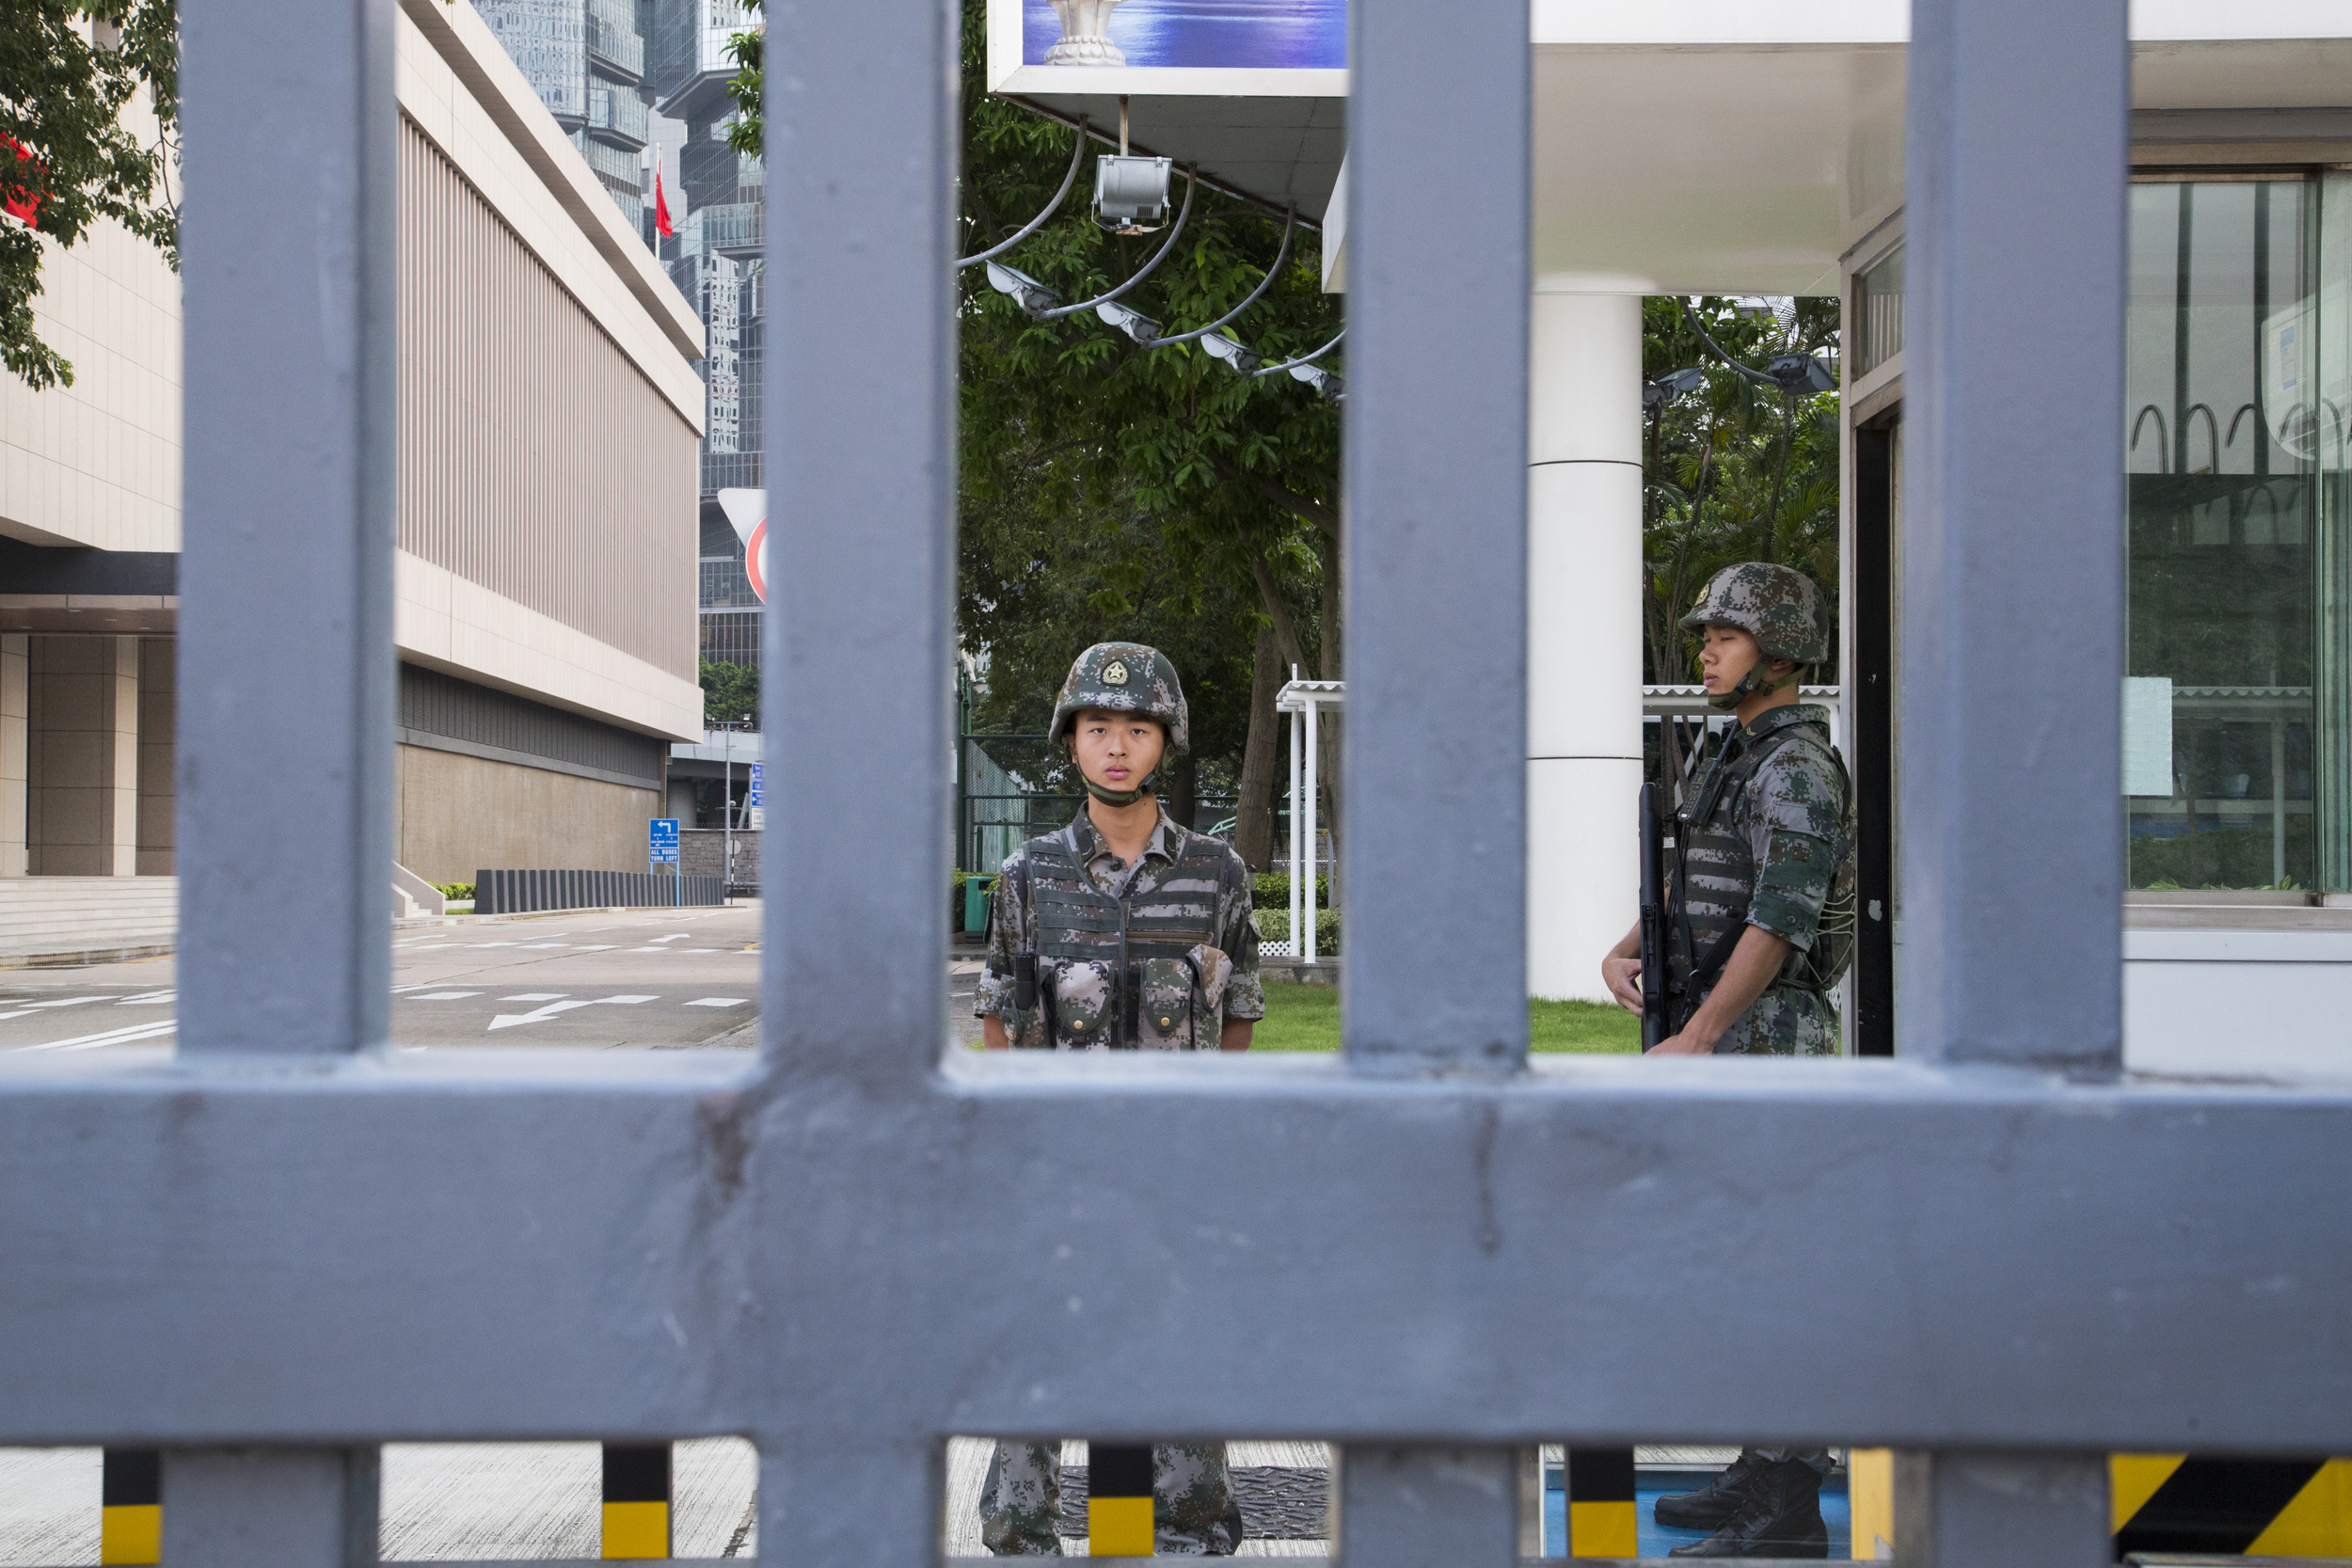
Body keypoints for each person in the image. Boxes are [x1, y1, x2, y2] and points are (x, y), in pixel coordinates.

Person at [975, 642, 1262, 1554]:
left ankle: (1190, 1529)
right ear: (1072, 741)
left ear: (1163, 743)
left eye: (1136, 728)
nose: (1116, 746)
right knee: (1038, 1357)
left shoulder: (1216, 874)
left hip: (1178, 1167)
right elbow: (1001, 1018)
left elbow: (1240, 1009)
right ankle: (1020, 1534)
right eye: (1098, 728)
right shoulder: (1028, 875)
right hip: (1057, 1166)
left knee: (1179, 1356)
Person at [1599, 562, 1853, 1559]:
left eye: (1725, 635)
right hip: (1718, 1035)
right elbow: (1694, 864)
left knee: (1779, 1269)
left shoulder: (1795, 767)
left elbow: (1779, 919)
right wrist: (1627, 942)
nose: (1705, 647)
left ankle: (1786, 1501)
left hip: (1763, 1046)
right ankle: (1765, 1458)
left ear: (1780, 653)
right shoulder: (1734, 753)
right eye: (1706, 633)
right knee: (1742, 1271)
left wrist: (1700, 1036)